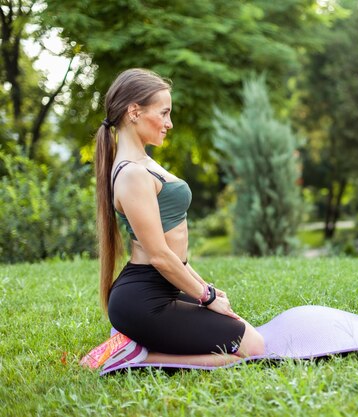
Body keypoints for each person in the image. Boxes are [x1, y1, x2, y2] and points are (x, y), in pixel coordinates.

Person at [89, 68, 264, 369]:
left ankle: (136, 344)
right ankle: (136, 357)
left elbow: (171, 255)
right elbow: (158, 255)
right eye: (164, 113)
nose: (169, 123)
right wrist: (206, 297)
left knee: (247, 334)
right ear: (134, 111)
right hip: (143, 300)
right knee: (253, 349)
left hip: (165, 286)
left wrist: (203, 286)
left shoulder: (142, 163)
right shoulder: (131, 174)